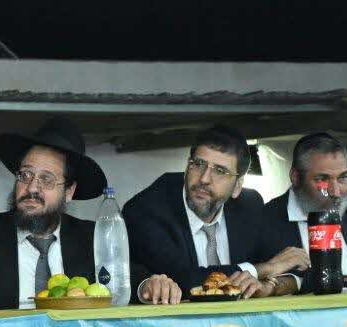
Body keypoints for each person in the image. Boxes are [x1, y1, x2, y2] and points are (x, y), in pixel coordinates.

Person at [0, 117, 171, 320]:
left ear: (69, 192)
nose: (32, 188)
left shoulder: (91, 238)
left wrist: (149, 285)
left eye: (46, 179)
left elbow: (128, 279)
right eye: (25, 175)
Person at [124, 125, 305, 301]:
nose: (204, 179)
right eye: (198, 164)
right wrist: (263, 269)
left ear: (237, 186)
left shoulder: (249, 206)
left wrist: (271, 286)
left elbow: (294, 267)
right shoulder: (148, 209)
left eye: (220, 171)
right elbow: (182, 279)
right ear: (187, 166)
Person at [259, 132, 347, 288]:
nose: (335, 192)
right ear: (295, 177)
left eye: (342, 178)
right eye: (322, 179)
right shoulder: (263, 220)